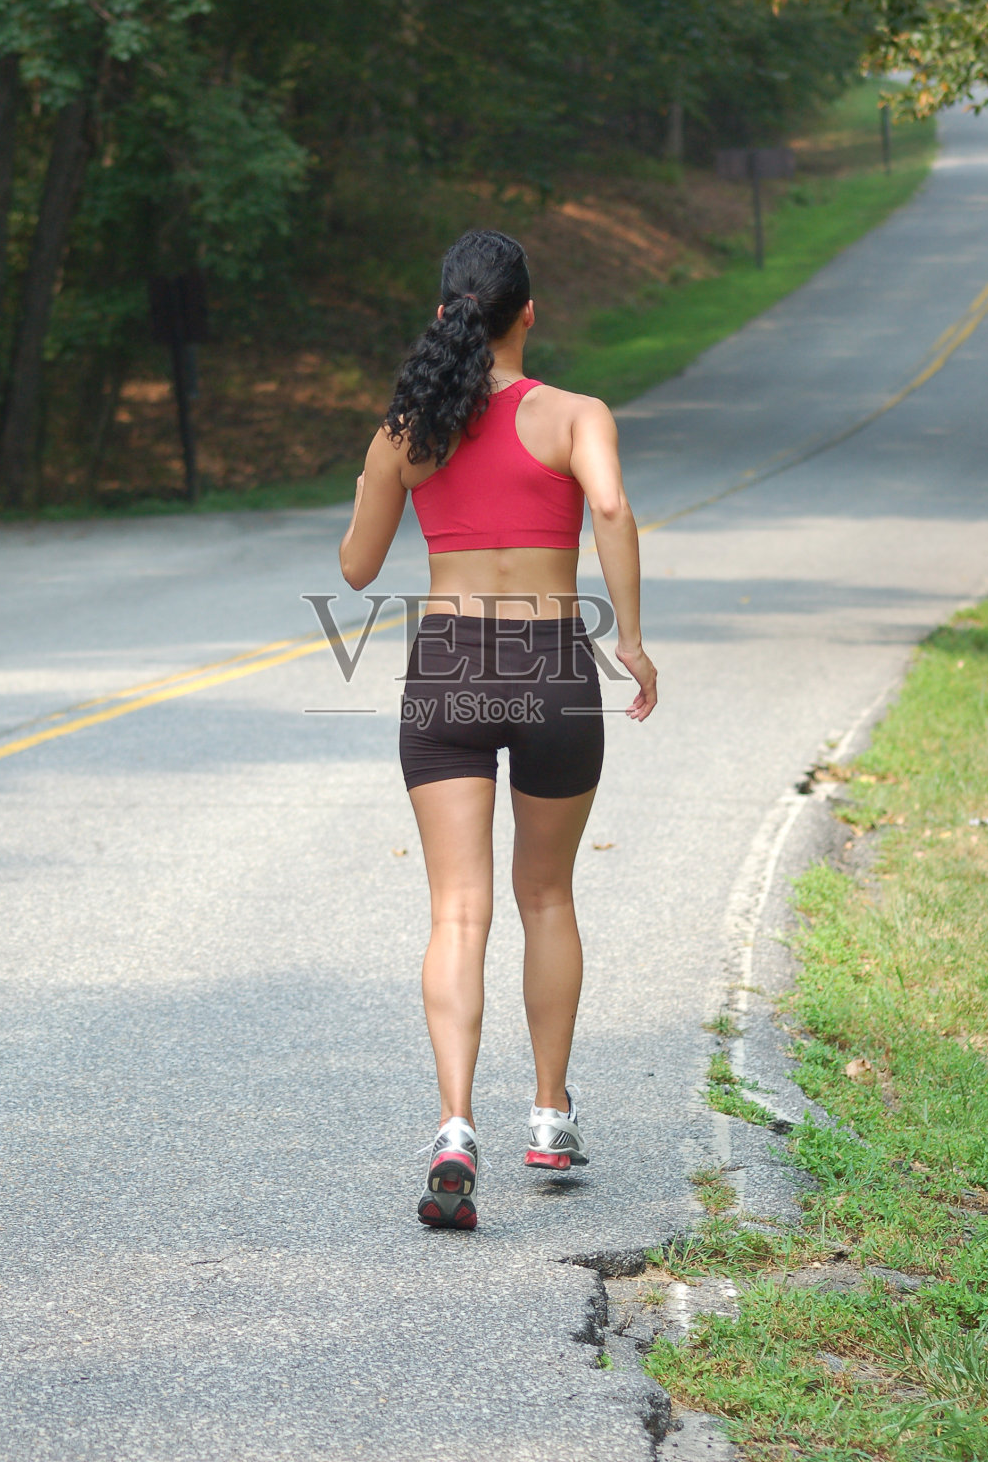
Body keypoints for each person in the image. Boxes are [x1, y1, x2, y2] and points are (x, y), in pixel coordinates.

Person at [340, 229, 657, 1230]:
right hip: (552, 662)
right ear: (528, 312)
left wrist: (388, 467)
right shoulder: (574, 415)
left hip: (446, 667)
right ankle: (549, 1115)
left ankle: (451, 1126)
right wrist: (633, 643)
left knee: (456, 910)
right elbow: (608, 505)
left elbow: (353, 568)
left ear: (445, 313)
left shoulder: (406, 426)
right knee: (547, 894)